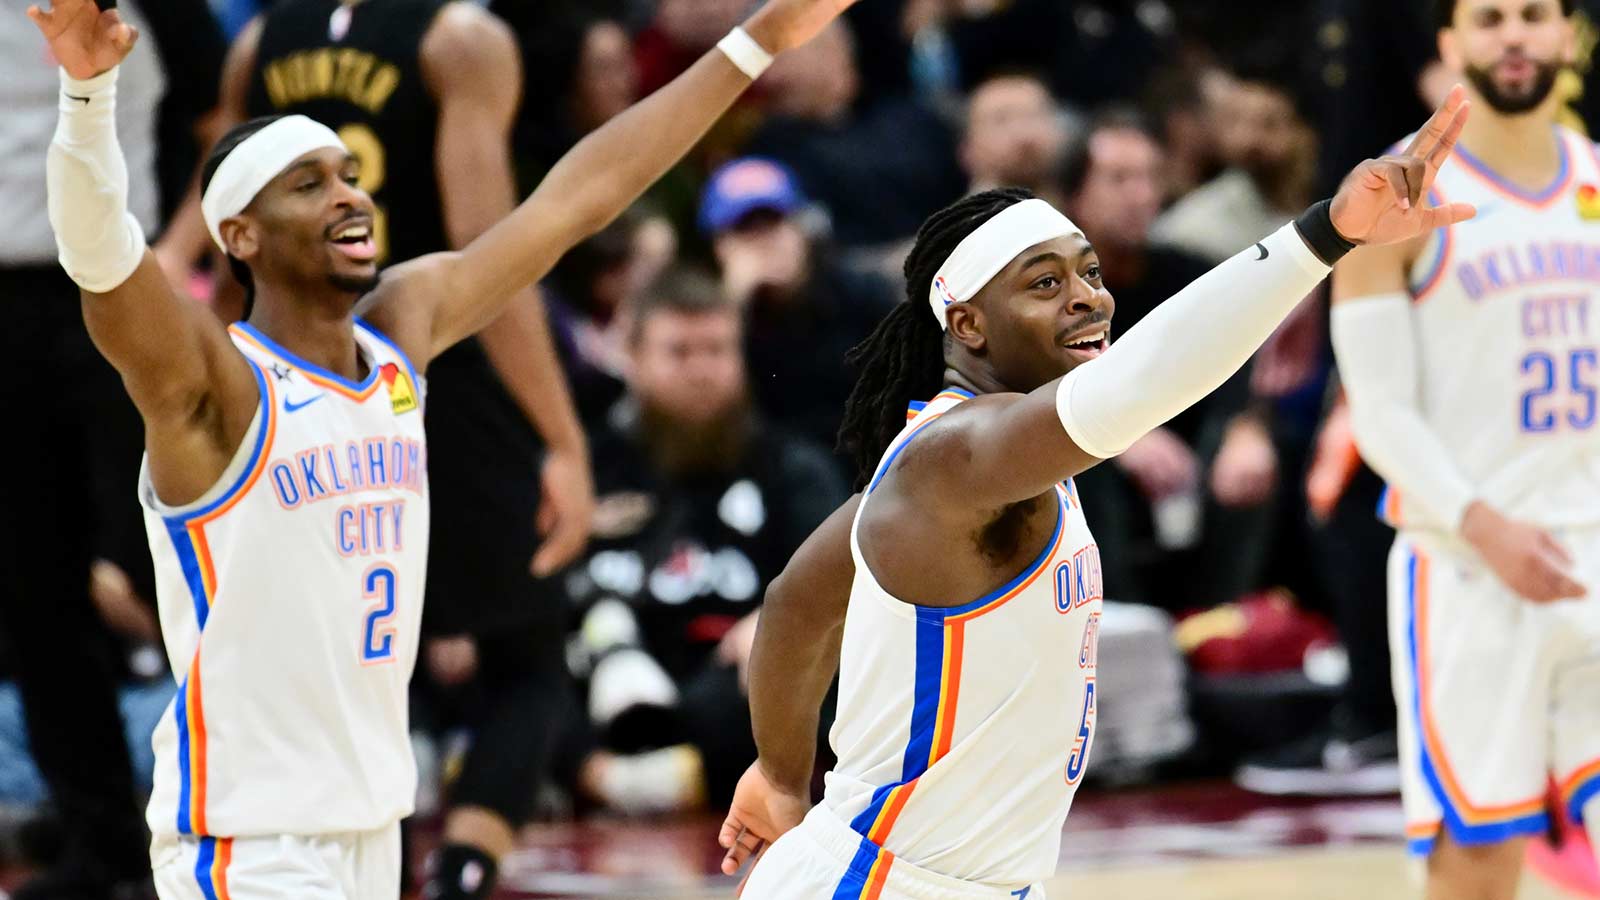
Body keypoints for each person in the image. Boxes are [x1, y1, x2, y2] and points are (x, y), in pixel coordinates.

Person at [26, 0, 857, 896]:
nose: (349, 194)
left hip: (375, 837)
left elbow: (577, 199)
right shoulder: (214, 386)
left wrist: (756, 41)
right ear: (241, 236)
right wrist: (86, 95)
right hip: (247, 846)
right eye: (308, 184)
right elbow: (102, 259)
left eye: (348, 174)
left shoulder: (399, 328)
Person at [717, 88, 1475, 898]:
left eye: (1089, 272)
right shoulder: (957, 459)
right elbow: (1146, 378)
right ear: (968, 326)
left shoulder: (955, 457)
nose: (1089, 298)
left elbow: (797, 603)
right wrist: (1326, 234)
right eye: (1044, 284)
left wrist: (778, 772)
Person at [213, 1, 599, 891]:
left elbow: (218, 186)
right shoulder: (460, 39)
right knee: (531, 655)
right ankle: (462, 870)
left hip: (286, 367)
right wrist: (561, 434)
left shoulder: (258, 43)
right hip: (417, 355)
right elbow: (486, 242)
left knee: (342, 648)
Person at [1329, 1, 1600, 896]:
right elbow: (1379, 414)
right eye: (1488, 19)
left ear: (1568, 36)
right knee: (1477, 861)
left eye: (1532, 15)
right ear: (1449, 45)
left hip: (1593, 552)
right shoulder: (1394, 196)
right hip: (1471, 570)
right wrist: (1487, 527)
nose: (1513, 36)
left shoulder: (1595, 177)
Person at [1, 1, 224, 896]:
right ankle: (105, 850)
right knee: (32, 591)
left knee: (157, 567)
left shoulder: (163, 7)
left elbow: (223, 122)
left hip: (118, 288)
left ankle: (224, 823)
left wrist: (173, 251)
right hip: (5, 309)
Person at [564, 267, 848, 812]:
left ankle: (648, 776)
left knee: (816, 658)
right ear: (633, 357)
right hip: (603, 683)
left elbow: (839, 583)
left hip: (730, 693)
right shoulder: (587, 469)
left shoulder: (791, 468)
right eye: (679, 351)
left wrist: (777, 622)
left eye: (717, 350)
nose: (701, 370)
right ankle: (600, 772)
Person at [1060, 109, 1277, 611]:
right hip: (1097, 451)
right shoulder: (1042, 288)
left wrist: (1248, 429)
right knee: (1082, 464)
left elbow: (1241, 368)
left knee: (1257, 454)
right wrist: (1122, 438)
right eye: (1119, 179)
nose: (1140, 195)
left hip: (1190, 459)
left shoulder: (1192, 273)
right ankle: (1118, 628)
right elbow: (1031, 387)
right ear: (1074, 195)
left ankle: (1220, 628)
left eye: (1149, 177)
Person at [701, 156, 898, 469]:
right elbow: (715, 417)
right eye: (746, 231)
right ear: (720, 248)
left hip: (872, 463)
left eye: (775, 224)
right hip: (776, 474)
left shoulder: (860, 294)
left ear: (801, 228)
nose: (766, 243)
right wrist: (734, 306)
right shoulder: (717, 319)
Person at [960, 72, 1070, 209]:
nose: (1024, 135)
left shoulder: (1086, 221)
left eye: (1033, 116)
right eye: (1001, 120)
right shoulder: (954, 229)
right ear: (967, 147)